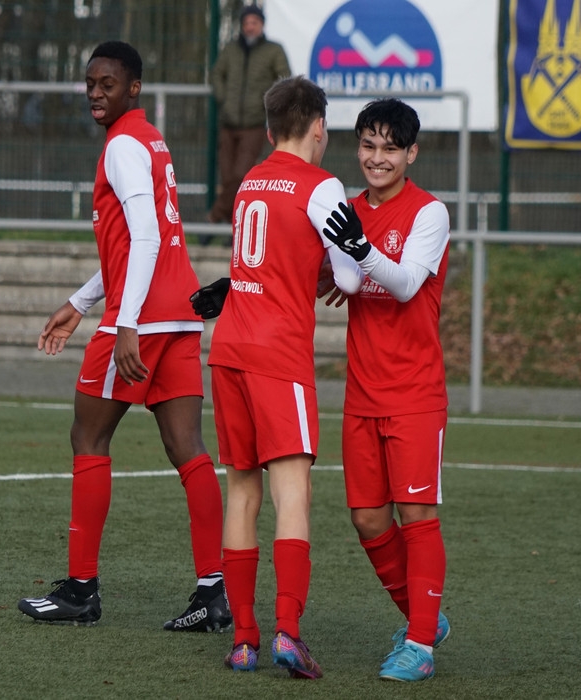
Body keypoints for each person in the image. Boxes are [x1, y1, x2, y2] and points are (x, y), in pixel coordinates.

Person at [17, 41, 230, 634]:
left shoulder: (122, 146)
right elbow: (135, 241)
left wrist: (126, 321)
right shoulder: (149, 139)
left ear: (133, 87)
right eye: (90, 83)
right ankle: (213, 593)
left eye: (107, 84)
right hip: (181, 312)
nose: (95, 93)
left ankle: (81, 589)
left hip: (144, 317)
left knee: (88, 435)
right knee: (187, 448)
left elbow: (147, 238)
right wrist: (80, 302)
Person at [192, 75, 365, 679]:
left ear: (268, 132)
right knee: (294, 492)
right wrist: (335, 266)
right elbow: (350, 276)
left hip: (229, 347)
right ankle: (288, 631)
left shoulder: (250, 181)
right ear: (319, 127)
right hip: (277, 353)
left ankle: (244, 640)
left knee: (243, 492)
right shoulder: (323, 186)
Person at [318, 98, 452, 682]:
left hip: (415, 393)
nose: (378, 158)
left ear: (411, 154)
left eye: (390, 149)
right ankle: (425, 617)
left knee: (416, 515)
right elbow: (313, 273)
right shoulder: (346, 211)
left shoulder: (430, 213)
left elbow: (403, 285)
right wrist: (240, 287)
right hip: (362, 395)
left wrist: (361, 251)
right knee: (368, 520)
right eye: (369, 146)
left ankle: (419, 645)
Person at [205, 3, 290, 238]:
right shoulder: (231, 49)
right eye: (246, 23)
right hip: (228, 122)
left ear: (262, 25)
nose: (250, 27)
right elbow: (216, 74)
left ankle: (212, 219)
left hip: (254, 123)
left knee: (240, 175)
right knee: (227, 177)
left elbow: (284, 78)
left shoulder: (274, 50)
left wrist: (266, 103)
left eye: (254, 22)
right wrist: (223, 98)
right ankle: (233, 231)